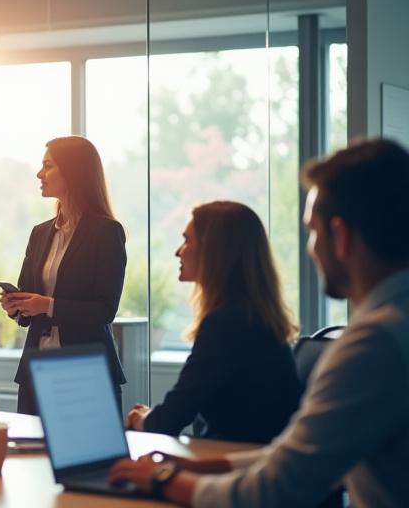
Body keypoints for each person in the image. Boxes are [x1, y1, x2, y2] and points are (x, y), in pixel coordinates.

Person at [108, 138, 409, 506]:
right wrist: (207, 467)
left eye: (312, 231)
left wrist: (162, 480)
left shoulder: (373, 345)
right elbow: (295, 454)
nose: (311, 248)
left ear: (341, 237)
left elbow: (273, 490)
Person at [124, 201, 301, 443]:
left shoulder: (226, 323)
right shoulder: (251, 316)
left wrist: (140, 418)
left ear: (214, 252)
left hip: (241, 464)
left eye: (188, 241)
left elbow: (171, 419)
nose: (179, 251)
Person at [0, 136, 127, 415]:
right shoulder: (40, 232)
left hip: (85, 368)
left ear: (74, 171)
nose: (39, 173)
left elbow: (105, 310)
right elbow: (28, 306)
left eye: (48, 165)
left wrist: (47, 305)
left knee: (87, 455)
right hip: (38, 364)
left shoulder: (106, 232)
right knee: (30, 453)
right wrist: (16, 306)